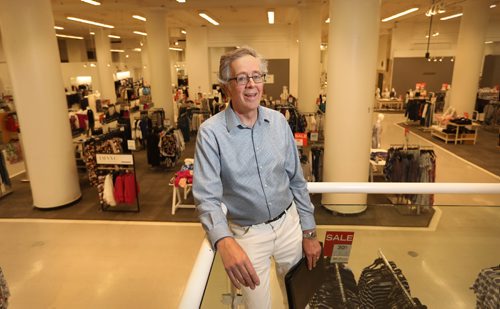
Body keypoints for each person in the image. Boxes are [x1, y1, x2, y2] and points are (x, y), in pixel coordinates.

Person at [193, 46, 321, 308]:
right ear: (227, 86)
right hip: (248, 235)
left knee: (301, 299)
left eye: (257, 76)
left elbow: (297, 181)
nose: (251, 85)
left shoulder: (279, 122)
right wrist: (224, 241)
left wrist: (309, 232)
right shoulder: (211, 134)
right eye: (242, 78)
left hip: (289, 227)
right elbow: (206, 198)